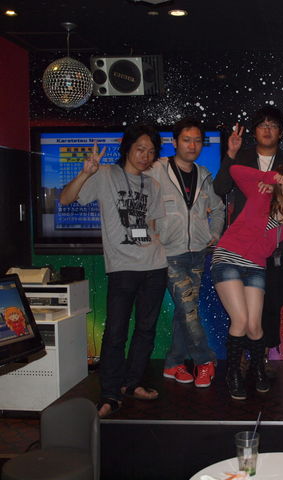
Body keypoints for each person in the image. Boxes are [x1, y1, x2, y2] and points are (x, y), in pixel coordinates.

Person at [60, 124, 167, 418]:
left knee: (146, 330)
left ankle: (132, 384)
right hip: (122, 268)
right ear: (127, 148)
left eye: (151, 151)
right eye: (140, 149)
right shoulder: (105, 175)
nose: (145, 156)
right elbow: (65, 199)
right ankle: (109, 393)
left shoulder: (153, 185)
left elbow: (152, 225)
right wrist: (85, 173)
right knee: (116, 332)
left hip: (155, 266)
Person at [147, 117, 225, 388]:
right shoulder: (156, 170)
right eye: (186, 140)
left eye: (197, 141)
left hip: (197, 254)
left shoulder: (204, 174)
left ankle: (174, 363)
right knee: (189, 311)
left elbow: (218, 208)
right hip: (169, 254)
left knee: (184, 311)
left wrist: (214, 233)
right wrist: (152, 237)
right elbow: (142, 205)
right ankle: (205, 359)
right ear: (174, 142)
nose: (192, 146)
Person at [213, 162, 283, 400]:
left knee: (254, 326)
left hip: (255, 266)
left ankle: (258, 368)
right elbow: (235, 171)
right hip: (229, 257)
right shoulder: (262, 194)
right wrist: (271, 177)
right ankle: (233, 374)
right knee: (240, 321)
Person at [214, 105, 283, 368]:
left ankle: (266, 350)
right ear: (254, 131)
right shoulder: (243, 156)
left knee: (272, 300)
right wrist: (230, 153)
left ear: (281, 132)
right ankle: (244, 357)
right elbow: (221, 187)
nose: (267, 130)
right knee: (240, 306)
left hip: (275, 243)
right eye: (262, 125)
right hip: (242, 244)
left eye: (273, 125)